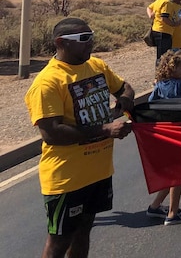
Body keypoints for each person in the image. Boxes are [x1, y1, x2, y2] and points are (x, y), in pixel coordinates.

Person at [24, 18, 135, 258]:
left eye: (92, 36)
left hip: (98, 173)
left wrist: (122, 104)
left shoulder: (96, 66)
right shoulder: (47, 83)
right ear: (60, 43)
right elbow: (52, 133)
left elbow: (125, 88)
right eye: (84, 39)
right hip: (67, 178)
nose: (91, 43)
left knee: (84, 231)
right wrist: (105, 130)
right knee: (60, 241)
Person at [146, 50, 181, 226]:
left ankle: (155, 206)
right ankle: (172, 213)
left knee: (173, 173)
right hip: (178, 133)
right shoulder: (180, 87)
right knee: (178, 173)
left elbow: (151, 102)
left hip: (163, 133)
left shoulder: (162, 85)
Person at [147, 0, 180, 66]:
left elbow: (149, 8)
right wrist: (175, 24)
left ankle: (159, 75)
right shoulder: (166, 2)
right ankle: (160, 76)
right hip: (163, 32)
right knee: (163, 57)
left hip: (156, 30)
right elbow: (164, 18)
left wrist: (151, 15)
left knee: (160, 56)